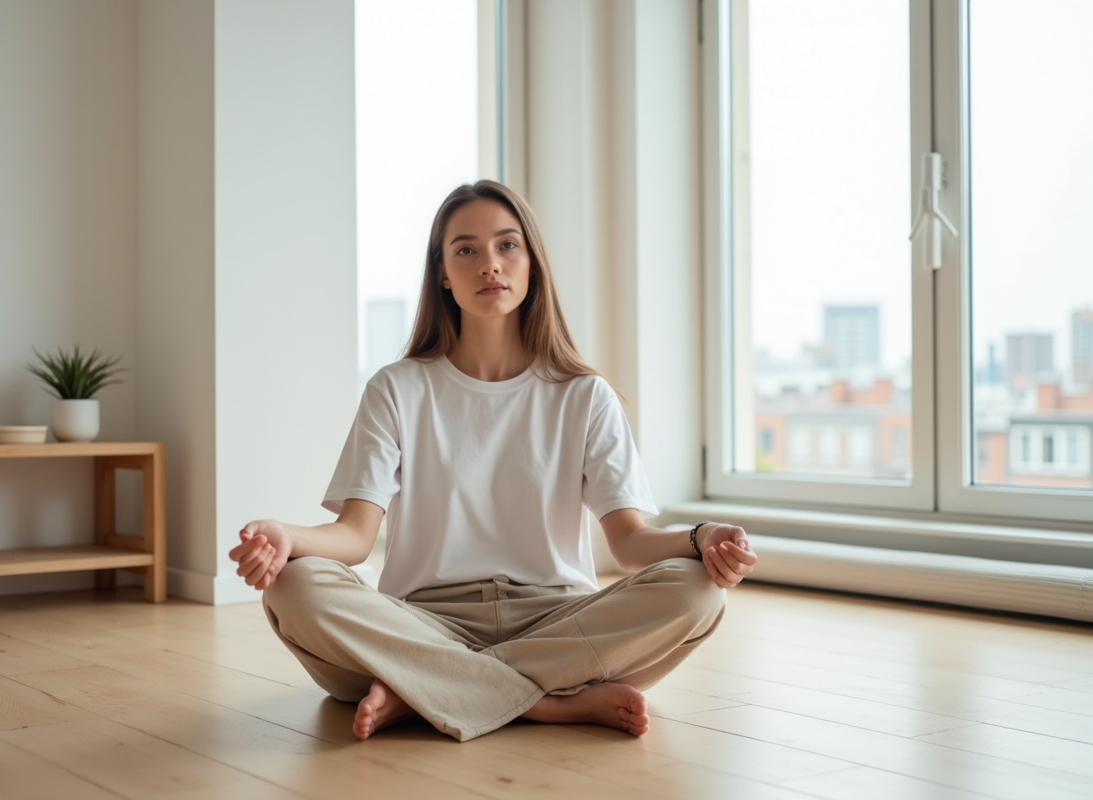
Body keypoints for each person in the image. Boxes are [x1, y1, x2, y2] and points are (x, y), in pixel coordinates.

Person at [229, 180, 758, 743]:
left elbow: (630, 544)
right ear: (441, 272)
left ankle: (424, 693)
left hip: (558, 620)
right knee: (294, 586)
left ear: (532, 264)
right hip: (421, 622)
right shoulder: (397, 388)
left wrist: (702, 539)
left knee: (697, 590)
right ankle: (548, 701)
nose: (490, 265)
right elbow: (355, 538)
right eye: (466, 250)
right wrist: (285, 537)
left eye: (508, 246)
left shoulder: (584, 394)